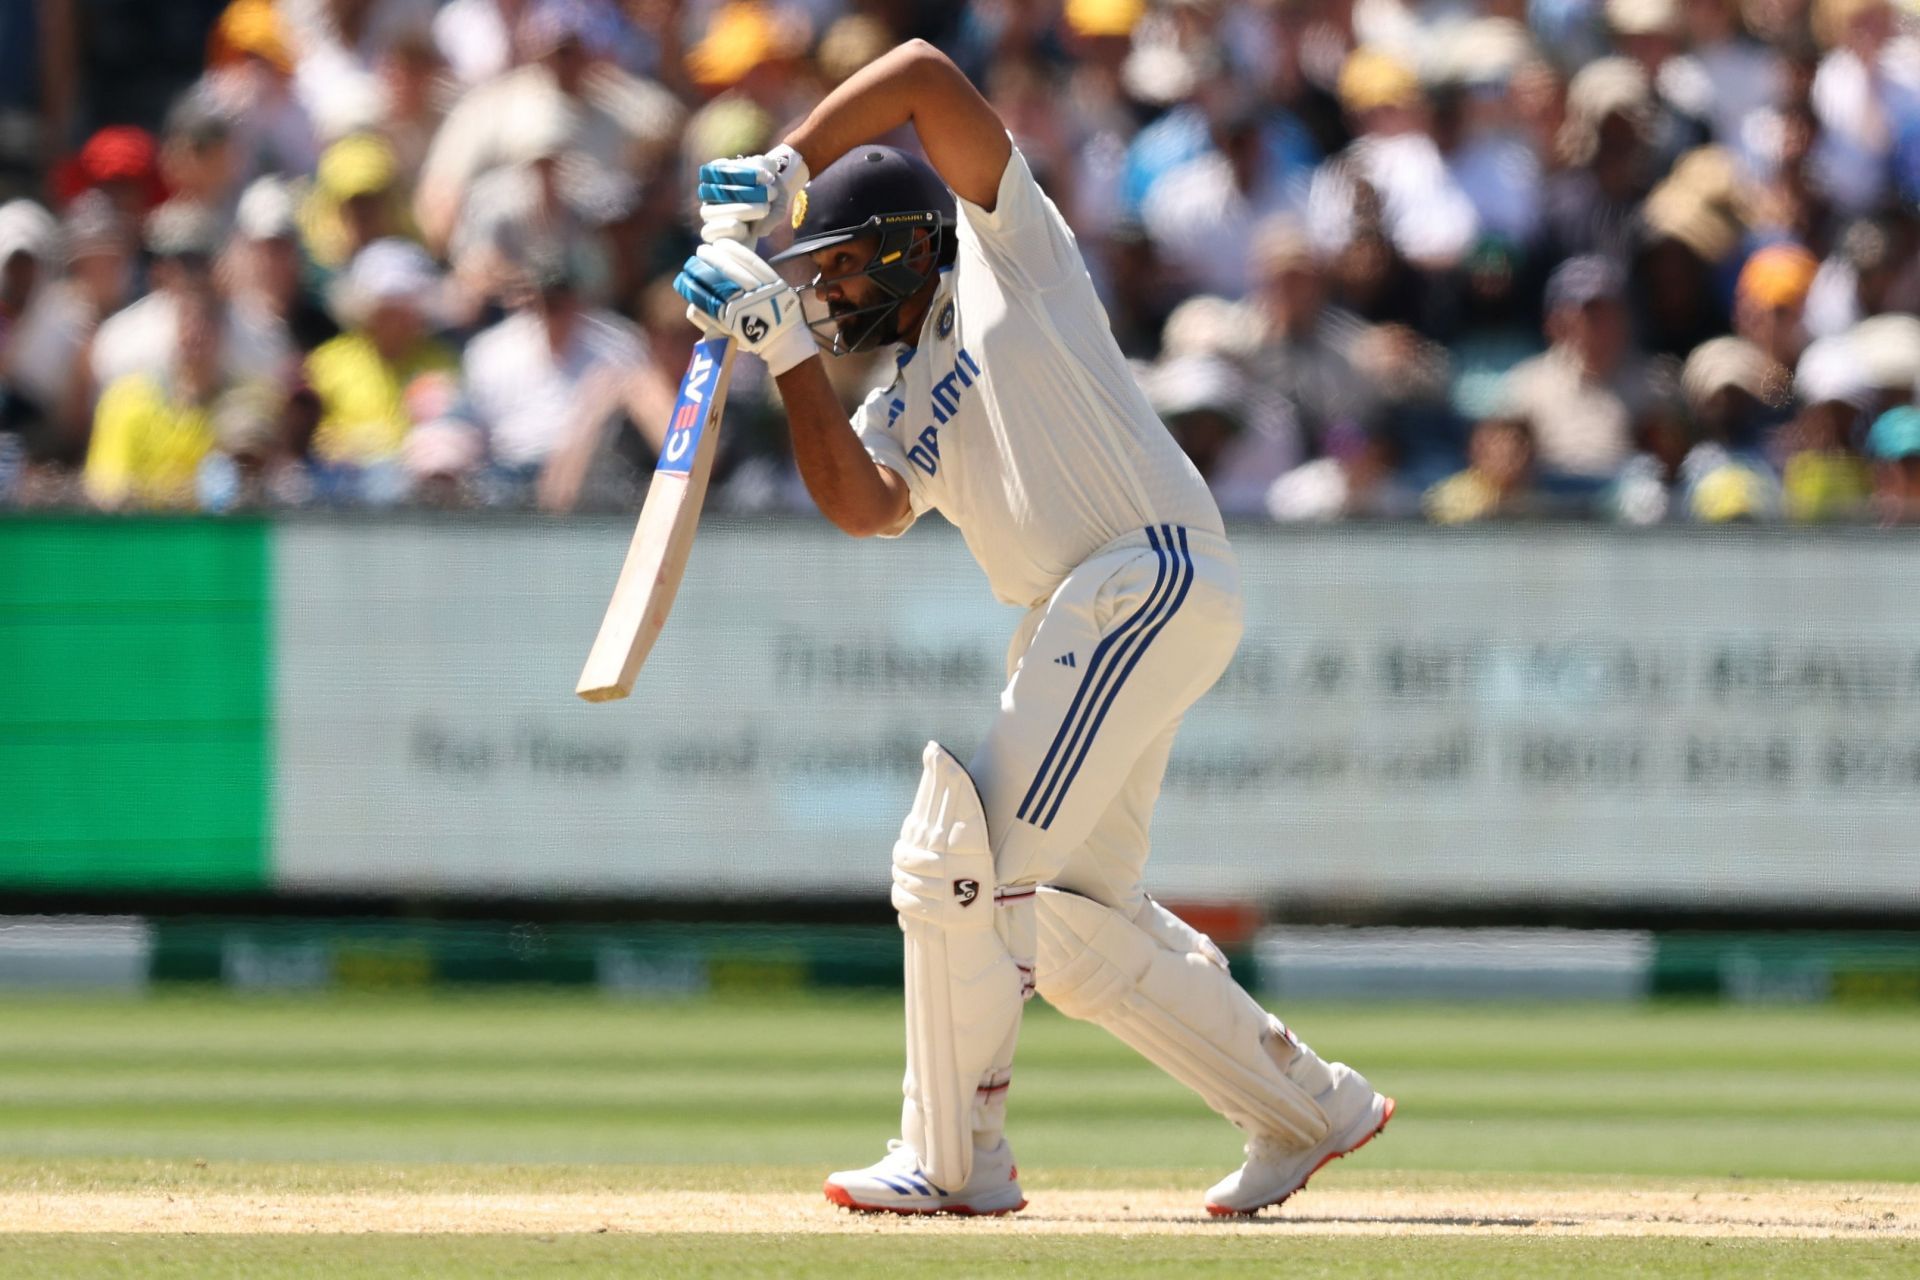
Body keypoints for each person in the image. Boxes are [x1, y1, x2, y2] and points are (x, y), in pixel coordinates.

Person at [671, 38, 1390, 1219]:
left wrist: (789, 165)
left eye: (841, 270)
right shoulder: (897, 398)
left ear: (907, 244)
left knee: (953, 861)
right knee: (1059, 919)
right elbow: (862, 508)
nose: (831, 292)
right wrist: (784, 351)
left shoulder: (1015, 251)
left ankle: (955, 1159)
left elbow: (919, 74)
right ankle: (1309, 1106)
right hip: (1091, 612)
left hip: (1142, 577)